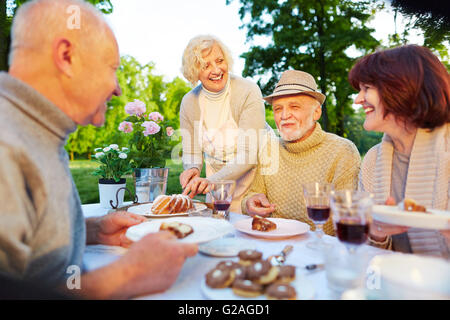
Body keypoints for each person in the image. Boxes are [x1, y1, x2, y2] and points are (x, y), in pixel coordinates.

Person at [0, 0, 197, 299]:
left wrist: (93, 230)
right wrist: (126, 275)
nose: (117, 88)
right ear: (66, 56)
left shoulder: (36, 130)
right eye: (112, 68)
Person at [349, 44, 449, 257]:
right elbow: (363, 253)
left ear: (402, 89)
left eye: (367, 88)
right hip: (394, 284)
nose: (358, 99)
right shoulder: (372, 160)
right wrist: (376, 234)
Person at [241, 70, 361, 235]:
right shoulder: (269, 148)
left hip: (319, 250)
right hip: (272, 242)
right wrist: (250, 203)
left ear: (316, 112)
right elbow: (252, 194)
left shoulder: (342, 151)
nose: (284, 115)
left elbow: (347, 221)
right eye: (277, 109)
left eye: (294, 106)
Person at [179, 35, 268, 213]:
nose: (216, 69)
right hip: (216, 184)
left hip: (256, 179)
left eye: (220, 61)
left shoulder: (248, 91)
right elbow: (191, 152)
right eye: (206, 65)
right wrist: (193, 168)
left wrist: (212, 181)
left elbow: (249, 155)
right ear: (194, 71)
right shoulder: (189, 102)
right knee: (219, 227)